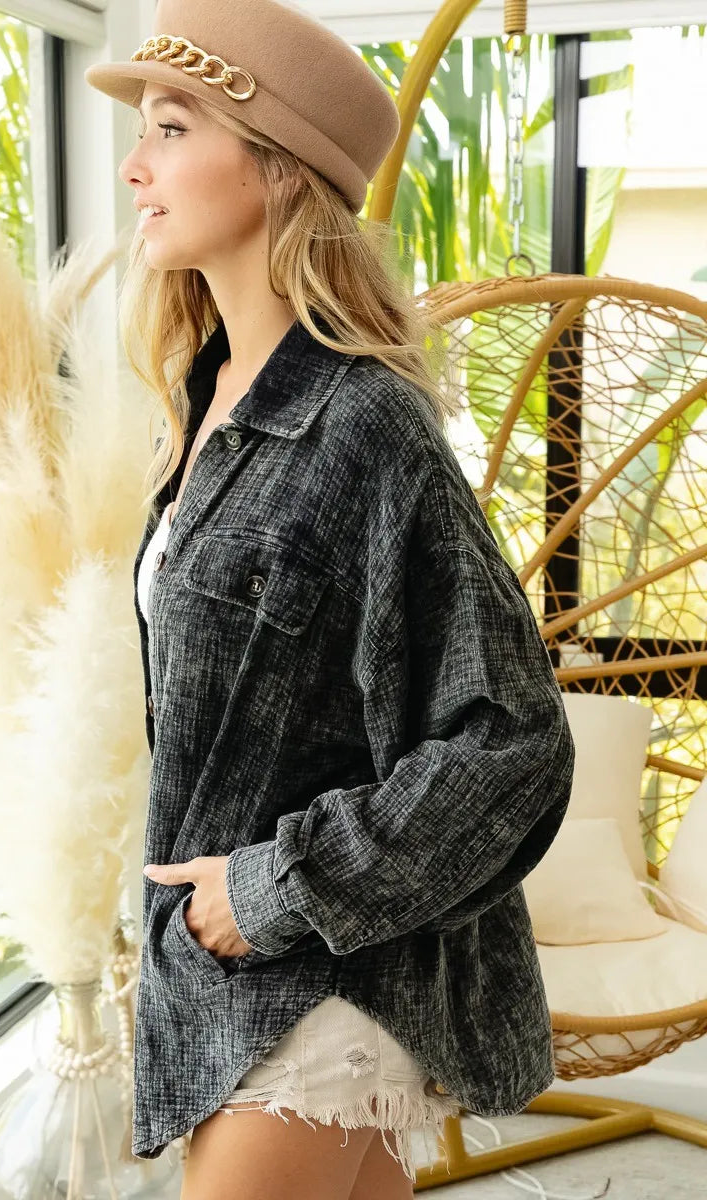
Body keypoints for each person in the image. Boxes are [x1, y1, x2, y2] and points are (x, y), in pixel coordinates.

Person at [84, 2, 576, 1197]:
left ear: (274, 162)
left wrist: (266, 893)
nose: (134, 167)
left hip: (309, 988)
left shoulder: (361, 424)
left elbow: (510, 741)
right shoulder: (209, 399)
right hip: (251, 977)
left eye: (168, 126)